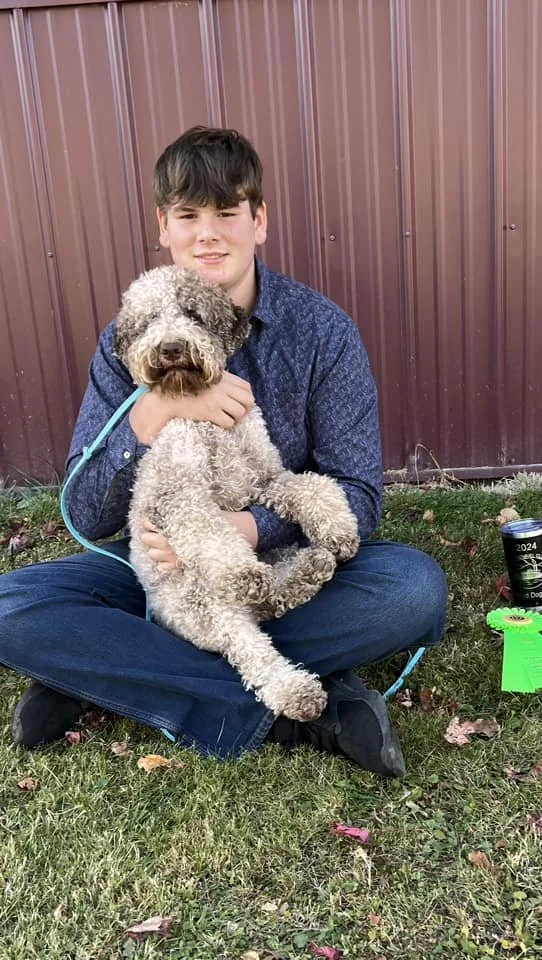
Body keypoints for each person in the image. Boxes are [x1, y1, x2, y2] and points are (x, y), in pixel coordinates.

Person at [0, 127, 447, 777]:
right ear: (164, 228)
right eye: (188, 215)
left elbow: (358, 495)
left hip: (286, 573)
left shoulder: (322, 333)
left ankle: (110, 673)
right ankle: (301, 717)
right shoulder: (127, 340)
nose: (207, 234)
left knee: (413, 591)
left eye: (226, 212)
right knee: (11, 608)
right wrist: (151, 415)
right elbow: (87, 511)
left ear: (258, 220)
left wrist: (240, 529)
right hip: (156, 577)